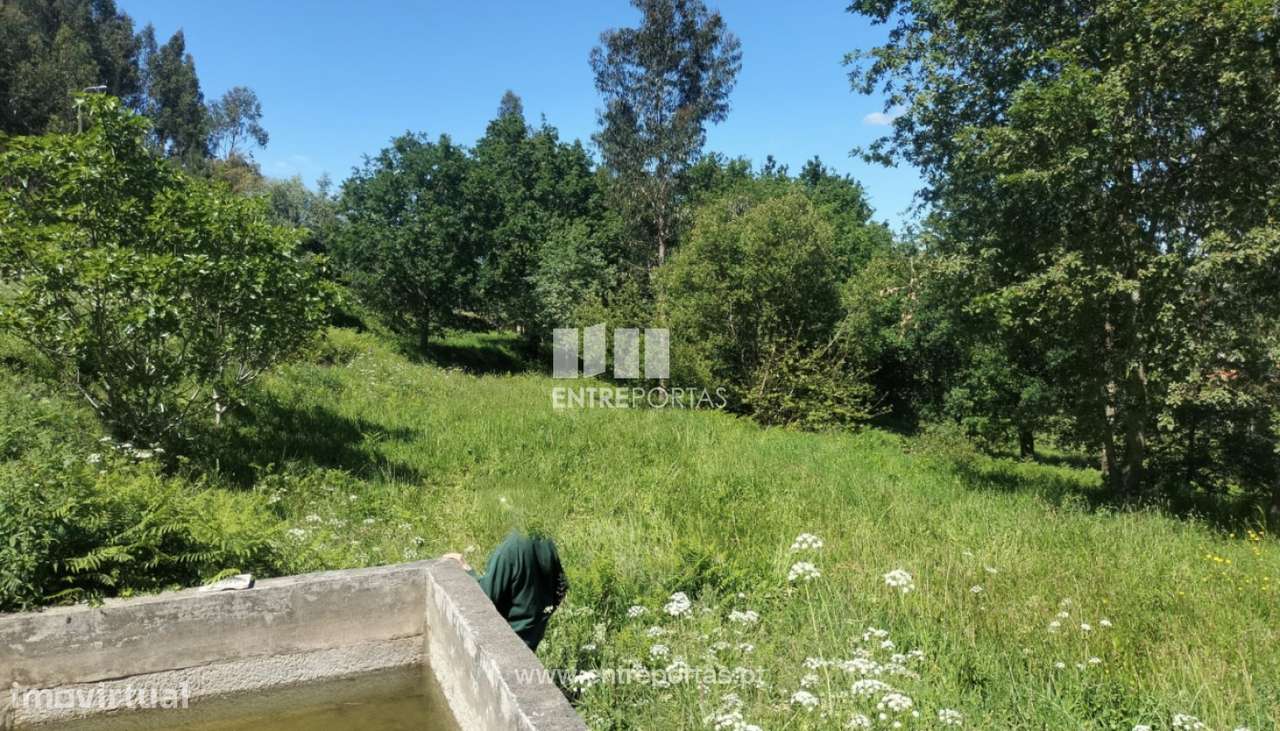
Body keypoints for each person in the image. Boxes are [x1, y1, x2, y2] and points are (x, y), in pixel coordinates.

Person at [444, 532, 567, 652]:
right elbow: (561, 587)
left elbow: (483, 599)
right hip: (530, 644)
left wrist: (467, 571)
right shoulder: (547, 540)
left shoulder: (511, 548)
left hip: (505, 646)